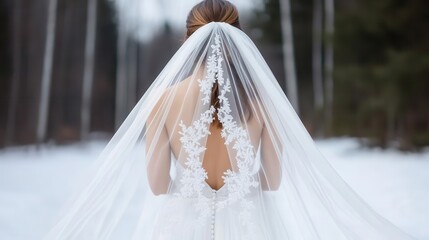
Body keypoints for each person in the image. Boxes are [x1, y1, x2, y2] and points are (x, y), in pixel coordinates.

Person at [44, 0, 416, 239]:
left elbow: (158, 186)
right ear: (240, 41)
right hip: (250, 225)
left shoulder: (162, 101)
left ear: (187, 41)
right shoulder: (261, 102)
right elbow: (272, 182)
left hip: (182, 226)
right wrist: (236, 186)